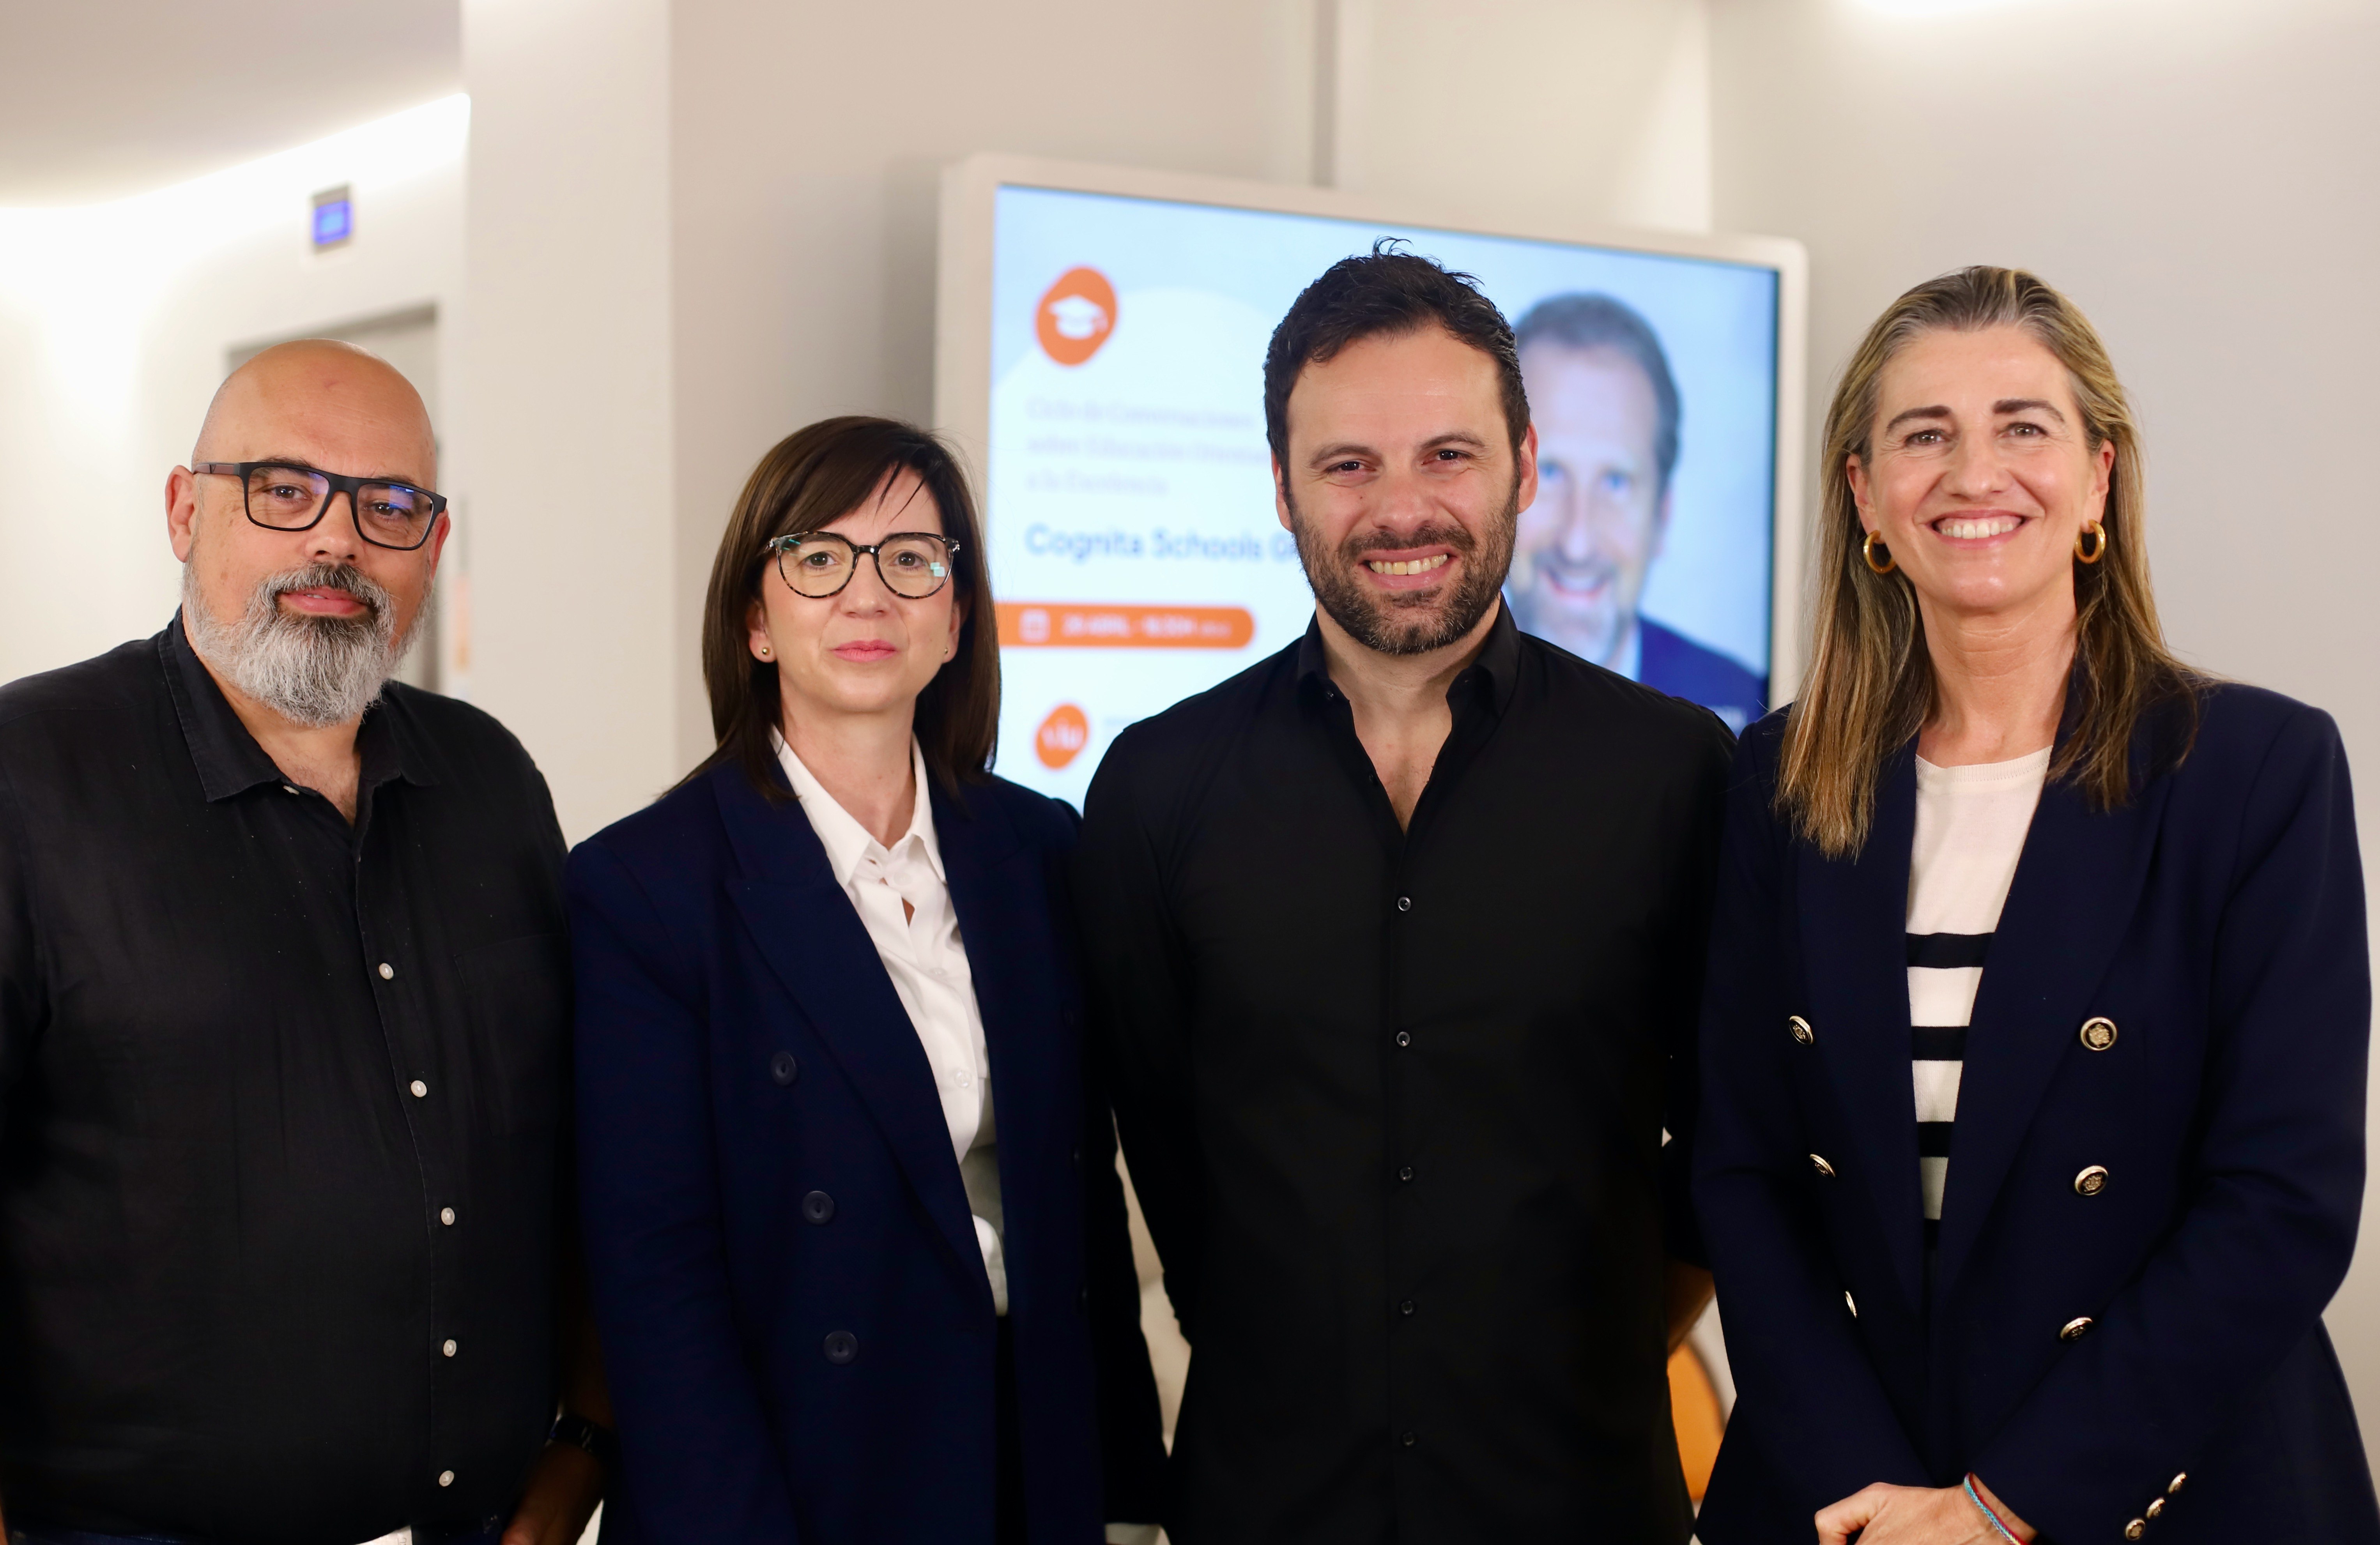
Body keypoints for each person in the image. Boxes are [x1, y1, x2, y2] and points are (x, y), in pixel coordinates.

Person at [1693, 267, 2380, 1545]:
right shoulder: (1780, 779)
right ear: (1863, 497)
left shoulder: (2254, 773)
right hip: (1852, 1489)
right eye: (1922, 435)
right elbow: (1743, 1169)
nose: (1972, 474)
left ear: (2098, 480)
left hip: (2159, 1482)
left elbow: (2281, 1201)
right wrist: (1870, 1495)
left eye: (2021, 426)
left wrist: (2002, 1508)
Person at [1073, 246, 1735, 1542]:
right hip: (1267, 1498)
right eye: (1346, 465)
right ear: (1279, 488)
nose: (1400, 509)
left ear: (1521, 466)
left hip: (1581, 1500)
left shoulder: (1675, 772)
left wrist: (1579, 1341)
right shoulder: (1156, 789)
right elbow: (1161, 1154)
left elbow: (1724, 1145)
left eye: (1446, 454)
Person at [0, 341, 609, 1544]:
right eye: (283, 489)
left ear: (432, 548)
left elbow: (574, 1153)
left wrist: (576, 1457)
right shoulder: (29, 776)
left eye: (389, 504)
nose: (336, 541)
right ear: (186, 509)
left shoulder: (490, 780)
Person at [568, 417, 1166, 1543]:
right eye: (818, 556)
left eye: (910, 559)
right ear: (756, 618)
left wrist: (1122, 1490)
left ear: (954, 617)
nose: (867, 594)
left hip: (1018, 1450)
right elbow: (656, 1283)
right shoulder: (643, 888)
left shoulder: (1038, 852)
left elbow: (1078, 1210)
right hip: (791, 1473)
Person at [1510, 292, 1767, 731]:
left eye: (1615, 482)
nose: (1577, 543)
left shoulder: (1754, 721)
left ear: (1663, 514)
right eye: (1550, 473)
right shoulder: (1409, 696)